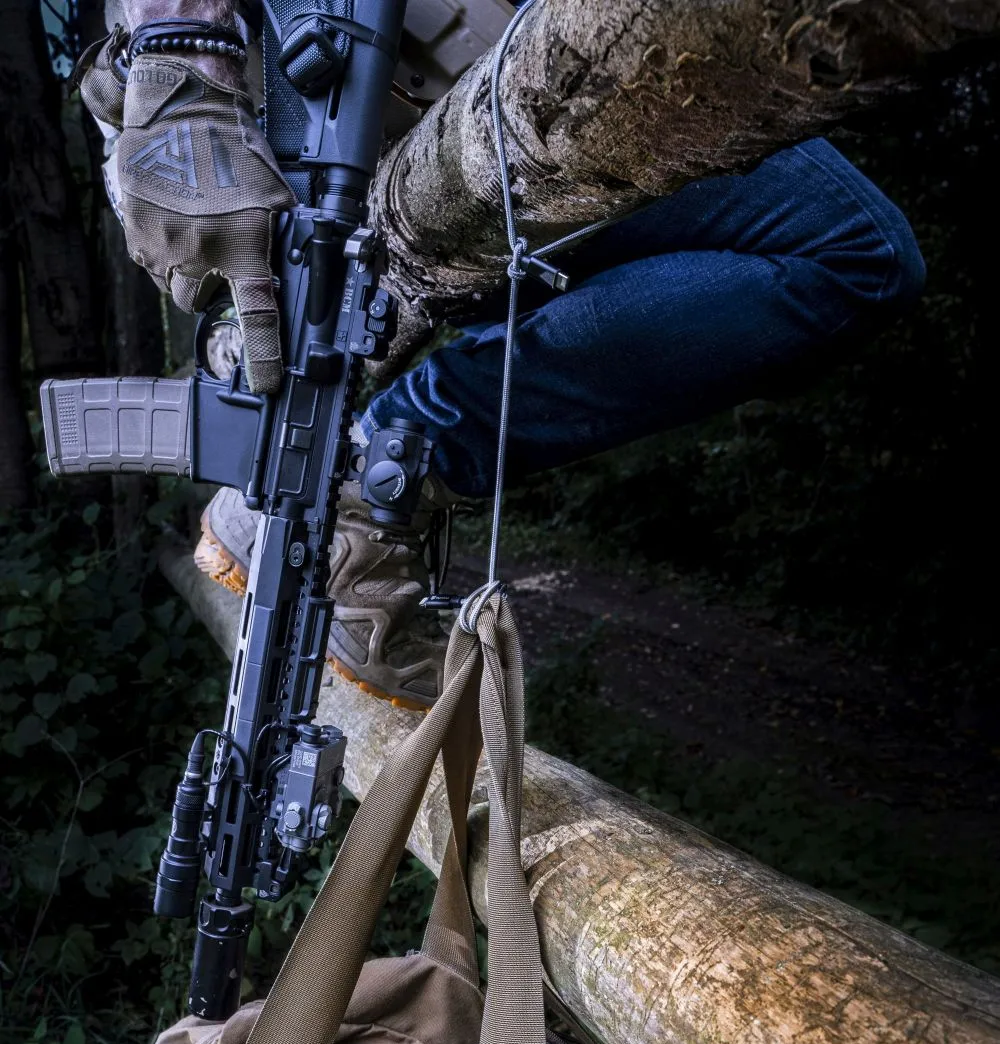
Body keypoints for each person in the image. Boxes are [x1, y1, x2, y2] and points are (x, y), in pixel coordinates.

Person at [78, 0, 926, 710]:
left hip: (435, 93)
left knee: (845, 251)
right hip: (450, 80)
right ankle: (382, 471)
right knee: (853, 251)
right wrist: (181, 52)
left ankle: (374, 469)